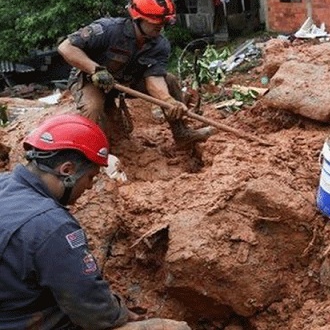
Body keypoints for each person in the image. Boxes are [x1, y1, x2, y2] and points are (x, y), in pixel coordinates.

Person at [0, 114, 190, 329]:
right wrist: (119, 312)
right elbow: (93, 311)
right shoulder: (51, 225)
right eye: (90, 176)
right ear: (67, 171)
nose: (89, 187)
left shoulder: (4, 184)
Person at [57, 0, 212, 146]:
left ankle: (181, 134)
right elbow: (65, 47)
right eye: (154, 21)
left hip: (124, 83)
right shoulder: (107, 29)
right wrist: (95, 69)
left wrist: (168, 100)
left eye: (163, 21)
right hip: (90, 80)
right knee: (93, 108)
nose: (160, 26)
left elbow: (154, 78)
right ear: (137, 18)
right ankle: (88, 151)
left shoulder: (160, 45)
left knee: (170, 80)